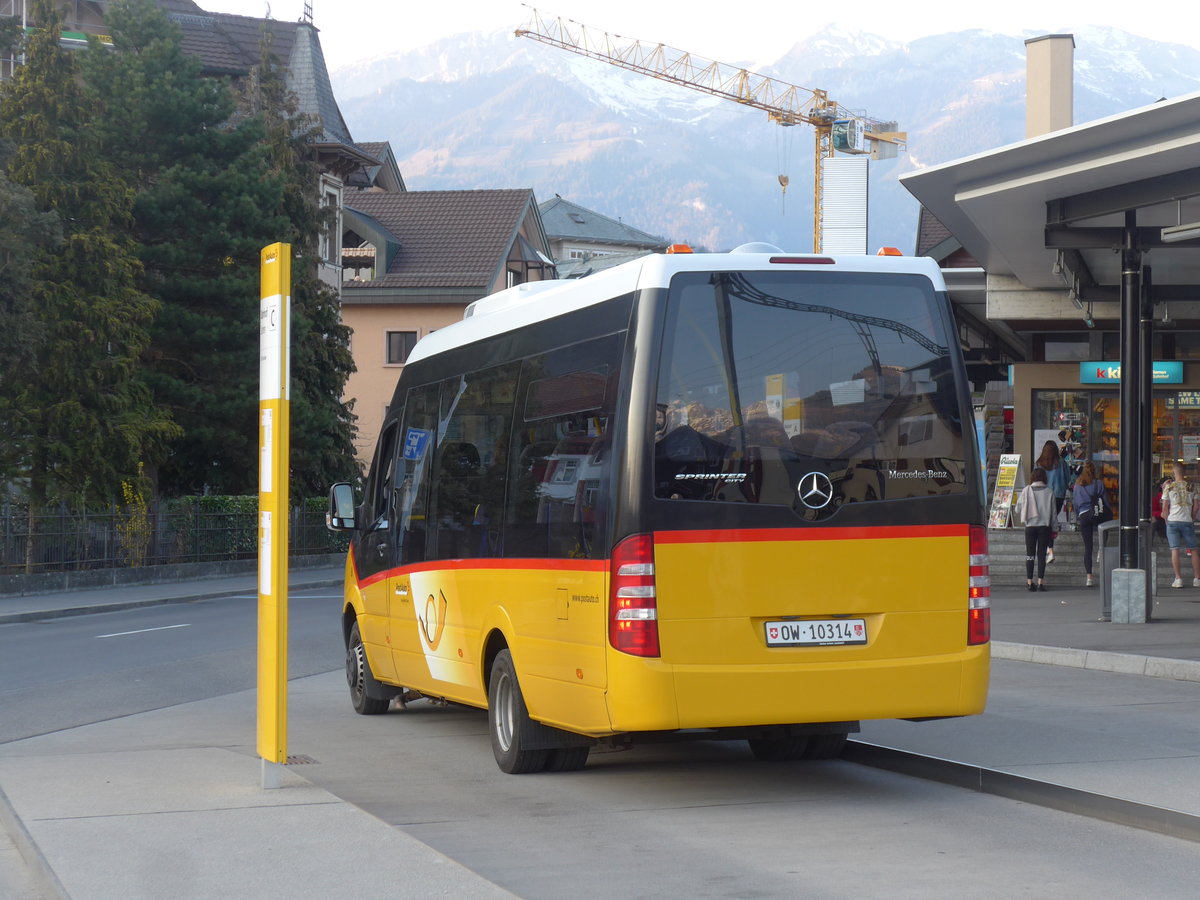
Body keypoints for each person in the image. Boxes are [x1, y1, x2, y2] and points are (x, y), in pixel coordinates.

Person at [1161, 462, 1200, 589]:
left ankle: (1178, 579)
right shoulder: (1192, 486)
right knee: (1193, 550)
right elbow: (1197, 506)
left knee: (1175, 550)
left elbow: (1164, 508)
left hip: (1173, 521)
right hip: (1187, 521)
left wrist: (1166, 521)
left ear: (1173, 472)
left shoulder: (1169, 487)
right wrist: (1192, 517)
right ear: (1184, 473)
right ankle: (1197, 579)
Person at [1017, 466, 1055, 591]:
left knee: (1030, 555)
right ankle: (1040, 583)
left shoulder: (1026, 490)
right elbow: (1053, 514)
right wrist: (1055, 528)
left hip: (1030, 527)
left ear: (1032, 477)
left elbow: (1017, 509)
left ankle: (1029, 582)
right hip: (1044, 527)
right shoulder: (1049, 492)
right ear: (1044, 478)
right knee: (1041, 555)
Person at [1072, 461, 1108, 587]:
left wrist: (1078, 515)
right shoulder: (1098, 483)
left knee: (1088, 547)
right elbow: (1105, 500)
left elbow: (1075, 503)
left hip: (1083, 515)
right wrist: (1108, 514)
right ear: (1094, 471)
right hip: (1096, 513)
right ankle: (1101, 549)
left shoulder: (1077, 485)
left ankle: (1089, 577)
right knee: (1104, 530)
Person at [1035, 439, 1072, 563]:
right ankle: (1049, 548)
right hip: (1058, 495)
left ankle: (1049, 549)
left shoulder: (1039, 463)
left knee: (1047, 522)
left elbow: (1035, 480)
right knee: (1051, 521)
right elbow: (1068, 478)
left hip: (1043, 495)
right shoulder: (1061, 463)